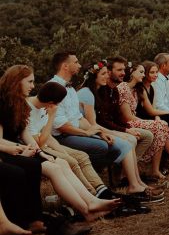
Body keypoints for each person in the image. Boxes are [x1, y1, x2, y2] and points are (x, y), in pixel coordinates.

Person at [0, 70, 120, 222]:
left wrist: (40, 153)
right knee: (55, 167)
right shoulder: (6, 105)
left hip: (22, 148)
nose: (33, 86)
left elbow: (26, 135)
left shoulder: (19, 104)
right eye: (29, 82)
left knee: (62, 162)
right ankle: (86, 210)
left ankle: (90, 201)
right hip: (8, 151)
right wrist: (27, 149)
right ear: (16, 81)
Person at [74, 59, 164, 201]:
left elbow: (109, 119)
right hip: (84, 132)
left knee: (135, 137)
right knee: (129, 140)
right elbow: (94, 124)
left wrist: (123, 129)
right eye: (103, 74)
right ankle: (132, 184)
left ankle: (136, 182)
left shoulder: (103, 91)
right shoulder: (89, 94)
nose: (106, 76)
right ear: (94, 76)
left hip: (99, 128)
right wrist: (122, 132)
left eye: (106, 74)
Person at [119, 62, 169, 177]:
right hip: (127, 122)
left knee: (161, 125)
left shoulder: (136, 89)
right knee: (160, 125)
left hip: (135, 120)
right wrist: (149, 122)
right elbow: (127, 117)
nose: (143, 75)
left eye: (144, 72)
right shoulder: (123, 88)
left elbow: (151, 109)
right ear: (132, 73)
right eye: (141, 72)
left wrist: (156, 119)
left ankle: (156, 169)